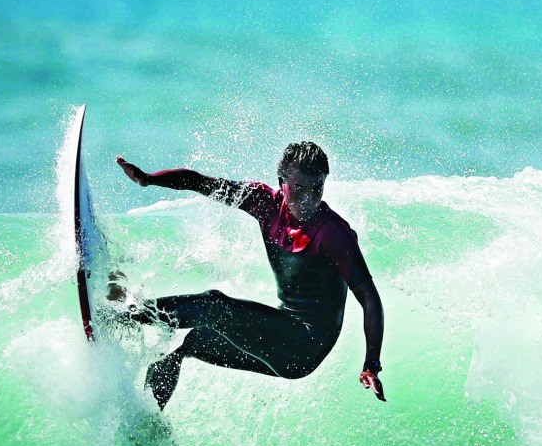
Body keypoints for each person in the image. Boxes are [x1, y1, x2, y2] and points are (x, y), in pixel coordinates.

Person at [114, 141, 385, 409]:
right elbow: (201, 183)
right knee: (195, 341)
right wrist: (148, 179)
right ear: (282, 182)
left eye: (317, 189)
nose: (308, 199)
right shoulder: (264, 203)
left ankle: (126, 318)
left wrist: (371, 364)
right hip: (282, 331)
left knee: (214, 306)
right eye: (299, 189)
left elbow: (369, 297)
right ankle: (148, 414)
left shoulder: (332, 233)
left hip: (305, 347)